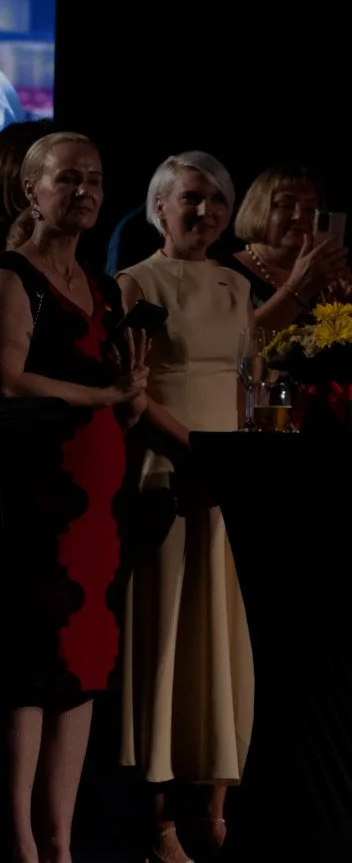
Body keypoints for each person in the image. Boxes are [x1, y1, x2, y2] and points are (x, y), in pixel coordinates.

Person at [0, 132, 149, 863]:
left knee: (83, 664)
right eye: (67, 178)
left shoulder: (107, 284)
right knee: (31, 665)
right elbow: (8, 379)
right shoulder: (11, 274)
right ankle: (20, 840)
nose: (84, 190)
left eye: (94, 178)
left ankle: (60, 843)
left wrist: (127, 400)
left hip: (100, 496)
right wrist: (102, 394)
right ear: (32, 190)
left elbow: (120, 398)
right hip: (37, 492)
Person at [114, 154, 256, 863]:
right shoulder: (134, 282)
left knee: (217, 629)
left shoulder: (237, 284)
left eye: (217, 203)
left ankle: (216, 798)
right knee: (167, 629)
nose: (205, 213)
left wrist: (240, 457)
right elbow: (132, 392)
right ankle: (159, 815)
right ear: (161, 205)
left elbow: (249, 381)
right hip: (167, 466)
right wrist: (199, 450)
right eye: (192, 199)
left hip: (230, 476)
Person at [221, 163, 352, 326]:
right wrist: (298, 289)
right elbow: (234, 343)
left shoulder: (321, 281)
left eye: (310, 209)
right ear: (258, 210)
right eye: (287, 205)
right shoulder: (223, 274)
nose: (299, 216)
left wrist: (347, 314)